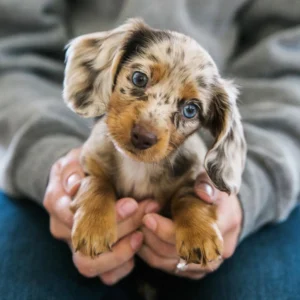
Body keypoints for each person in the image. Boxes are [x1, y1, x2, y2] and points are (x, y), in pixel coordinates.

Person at [0, 0, 300, 299]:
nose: (147, 129)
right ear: (113, 66)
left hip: (266, 142)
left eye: (190, 109)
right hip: (55, 131)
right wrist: (59, 166)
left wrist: (238, 195)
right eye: (139, 78)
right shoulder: (99, 146)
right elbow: (12, 48)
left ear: (215, 124)